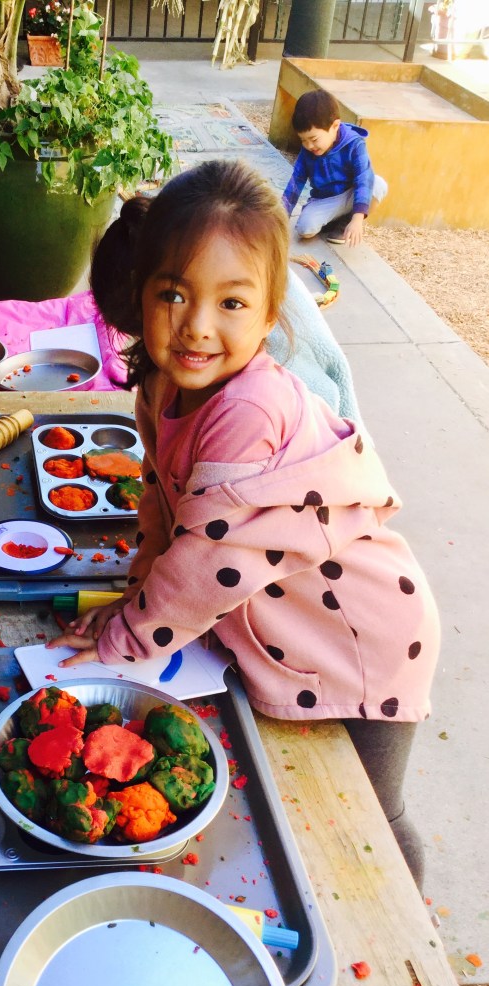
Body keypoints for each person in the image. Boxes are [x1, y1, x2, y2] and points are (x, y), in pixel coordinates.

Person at [47, 159, 439, 888]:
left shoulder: (248, 409)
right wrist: (133, 598)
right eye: (174, 294)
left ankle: (408, 934)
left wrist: (128, 635)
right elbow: (161, 509)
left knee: (373, 818)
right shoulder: (162, 384)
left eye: (231, 302)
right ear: (140, 293)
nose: (197, 327)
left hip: (365, 637)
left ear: (269, 313)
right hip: (286, 621)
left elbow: (208, 562)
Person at [281, 88, 387, 247]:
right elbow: (296, 181)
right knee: (305, 229)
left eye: (314, 139)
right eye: (303, 140)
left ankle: (346, 222)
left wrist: (358, 219)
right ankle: (332, 220)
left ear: (335, 126)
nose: (309, 145)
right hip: (324, 199)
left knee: (378, 184)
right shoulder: (308, 149)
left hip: (351, 194)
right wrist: (281, 217)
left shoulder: (354, 143)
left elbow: (363, 179)